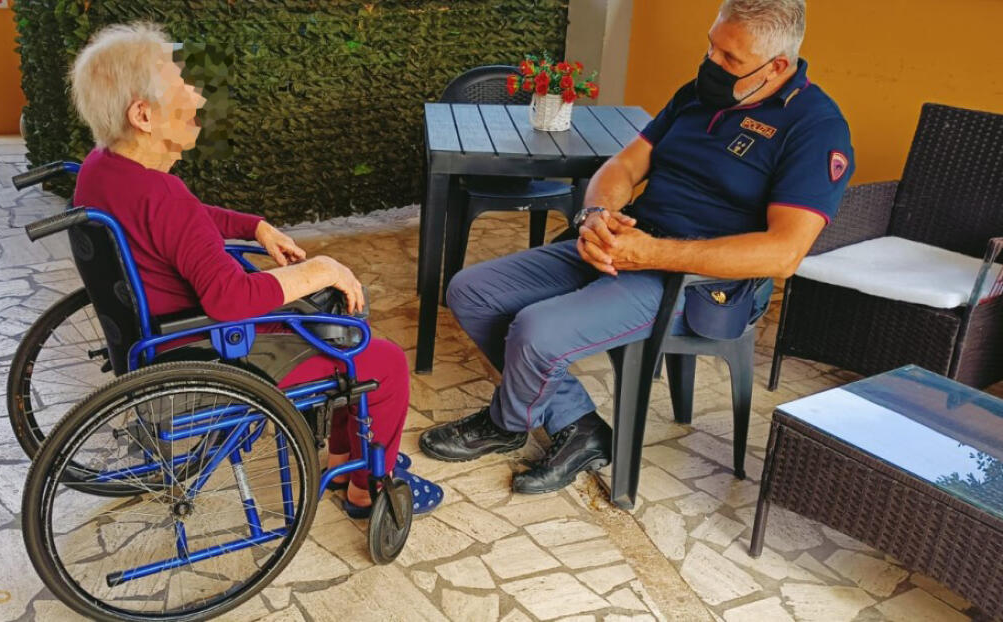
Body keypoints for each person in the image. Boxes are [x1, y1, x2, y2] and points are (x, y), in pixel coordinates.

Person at [421, 0, 853, 494]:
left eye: (729, 58)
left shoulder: (815, 129)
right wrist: (597, 216)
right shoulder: (698, 94)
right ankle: (579, 426)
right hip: (630, 242)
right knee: (472, 290)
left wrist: (649, 254)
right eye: (711, 46)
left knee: (536, 331)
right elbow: (624, 167)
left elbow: (783, 255)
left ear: (776, 66)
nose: (711, 62)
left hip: (700, 284)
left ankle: (506, 425)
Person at [67, 23, 442, 516]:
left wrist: (255, 226)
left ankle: (343, 462)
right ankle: (365, 491)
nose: (198, 97)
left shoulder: (102, 170)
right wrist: (323, 268)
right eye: (181, 86)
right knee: (381, 359)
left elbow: (182, 221)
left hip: (158, 341)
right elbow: (231, 299)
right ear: (143, 115)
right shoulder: (163, 195)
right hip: (212, 350)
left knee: (335, 328)